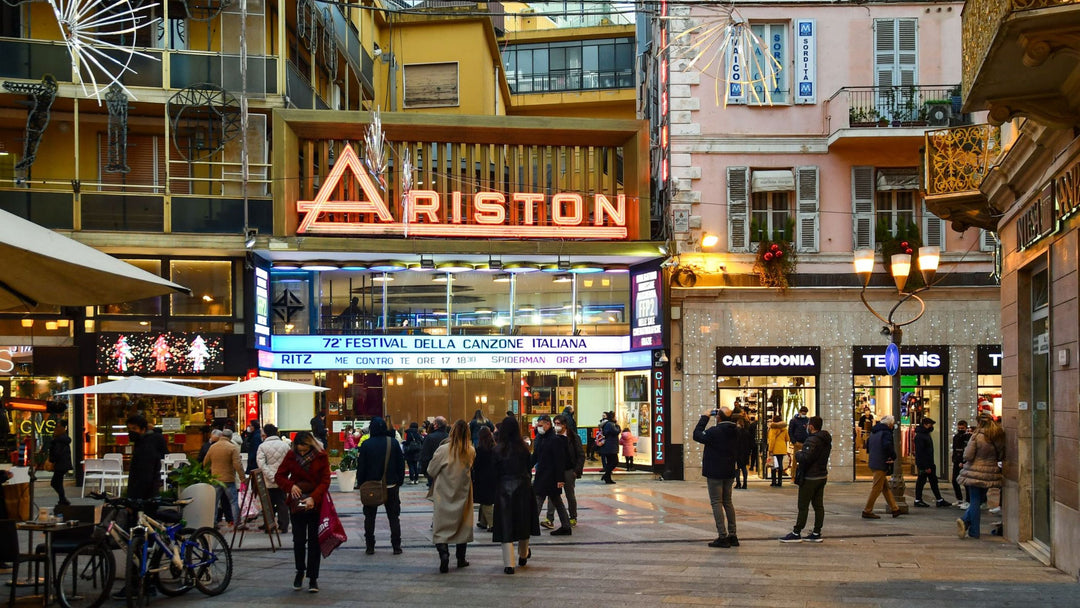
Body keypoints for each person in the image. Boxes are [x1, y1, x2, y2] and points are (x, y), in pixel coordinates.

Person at [274, 431, 331, 593]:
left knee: (314, 541)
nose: (302, 452)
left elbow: (325, 480)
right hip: (297, 504)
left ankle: (313, 578)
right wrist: (290, 486)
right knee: (298, 541)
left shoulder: (321, 456)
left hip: (315, 503)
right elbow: (279, 476)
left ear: (311, 445)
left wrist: (313, 498)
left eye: (305, 450)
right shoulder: (291, 456)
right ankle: (300, 571)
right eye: (300, 450)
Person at [491, 416, 540, 575]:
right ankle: (523, 554)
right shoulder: (524, 448)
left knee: (506, 524)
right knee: (523, 521)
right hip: (523, 487)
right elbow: (528, 469)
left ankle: (509, 564)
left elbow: (495, 472)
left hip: (504, 488)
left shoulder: (498, 449)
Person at [426, 419, 475, 573]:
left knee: (441, 526)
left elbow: (431, 470)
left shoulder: (443, 450)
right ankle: (461, 558)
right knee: (462, 525)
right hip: (463, 492)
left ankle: (444, 554)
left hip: (444, 492)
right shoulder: (470, 450)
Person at [356, 417, 405, 555]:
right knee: (394, 517)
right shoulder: (393, 443)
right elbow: (400, 464)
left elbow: (362, 467)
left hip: (371, 486)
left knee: (370, 517)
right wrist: (399, 481)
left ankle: (370, 546)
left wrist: (361, 483)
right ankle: (396, 546)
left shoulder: (366, 444)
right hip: (391, 485)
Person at [779, 416, 832, 543]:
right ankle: (816, 532)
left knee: (803, 505)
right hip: (822, 475)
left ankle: (796, 532)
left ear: (812, 427)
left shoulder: (812, 440)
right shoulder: (825, 439)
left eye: (808, 425)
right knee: (818, 505)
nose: (806, 427)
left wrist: (798, 454)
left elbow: (806, 457)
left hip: (810, 477)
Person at [694, 406, 739, 548]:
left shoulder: (715, 431)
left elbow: (697, 435)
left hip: (715, 471)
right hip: (729, 470)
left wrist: (705, 417)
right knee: (728, 502)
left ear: (718, 417)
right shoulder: (737, 431)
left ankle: (722, 536)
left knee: (716, 502)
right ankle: (733, 535)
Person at [956, 415, 1006, 539]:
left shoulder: (977, 436)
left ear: (979, 423)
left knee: (974, 501)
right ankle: (966, 523)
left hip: (975, 471)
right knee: (979, 500)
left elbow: (968, 455)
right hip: (990, 472)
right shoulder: (997, 436)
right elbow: (1001, 454)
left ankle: (972, 529)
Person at [531, 415, 572, 536]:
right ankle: (566, 526)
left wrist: (560, 479)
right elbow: (535, 456)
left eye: (541, 425)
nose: (539, 427)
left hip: (552, 476)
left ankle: (531, 526)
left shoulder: (555, 440)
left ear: (548, 424)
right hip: (542, 474)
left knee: (539, 499)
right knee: (554, 501)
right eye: (538, 425)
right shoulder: (539, 438)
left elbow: (559, 461)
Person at [547, 414, 583, 527]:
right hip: (555, 470)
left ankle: (573, 517)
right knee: (552, 494)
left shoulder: (573, 437)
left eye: (558, 424)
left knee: (570, 495)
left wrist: (576, 471)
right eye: (555, 424)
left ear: (564, 425)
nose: (556, 426)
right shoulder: (552, 436)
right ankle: (549, 518)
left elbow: (580, 455)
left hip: (568, 470)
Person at [204, 428, 245, 527]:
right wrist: (242, 477)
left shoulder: (213, 447)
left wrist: (210, 472)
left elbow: (205, 462)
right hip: (228, 478)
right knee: (233, 501)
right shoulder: (232, 447)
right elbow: (237, 464)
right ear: (230, 437)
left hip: (215, 478)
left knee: (215, 501)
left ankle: (212, 522)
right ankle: (237, 522)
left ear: (221, 435)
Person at [862, 415, 901, 519]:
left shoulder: (874, 432)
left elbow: (868, 446)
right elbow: (887, 445)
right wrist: (893, 456)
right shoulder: (886, 433)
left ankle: (895, 508)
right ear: (889, 424)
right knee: (877, 488)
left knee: (885, 487)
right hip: (881, 462)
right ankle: (867, 510)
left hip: (874, 460)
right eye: (892, 424)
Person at [256, 423, 291, 533]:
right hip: (282, 479)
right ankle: (283, 525)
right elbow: (290, 462)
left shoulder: (262, 447)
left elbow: (261, 464)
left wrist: (271, 477)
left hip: (268, 480)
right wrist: (284, 476)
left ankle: (269, 526)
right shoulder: (285, 445)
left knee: (268, 504)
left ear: (265, 434)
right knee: (282, 502)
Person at [913, 417, 950, 507]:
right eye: (930, 424)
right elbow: (921, 452)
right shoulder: (921, 436)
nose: (931, 426)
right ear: (925, 425)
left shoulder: (924, 435)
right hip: (925, 464)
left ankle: (939, 499)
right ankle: (918, 499)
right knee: (922, 481)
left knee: (933, 481)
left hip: (928, 463)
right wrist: (926, 466)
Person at [126, 414, 163, 500]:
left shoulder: (146, 447)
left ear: (143, 430)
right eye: (129, 429)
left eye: (134, 428)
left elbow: (145, 476)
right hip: (146, 497)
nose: (131, 432)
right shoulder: (141, 444)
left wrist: (135, 499)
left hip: (144, 499)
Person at [473, 426, 497, 531]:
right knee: (486, 500)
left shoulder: (480, 449)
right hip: (493, 477)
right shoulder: (495, 447)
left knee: (486, 501)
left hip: (482, 478)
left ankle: (492, 524)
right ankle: (483, 522)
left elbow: (476, 465)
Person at [420, 417, 449, 486]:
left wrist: (425, 471)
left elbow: (424, 455)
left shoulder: (430, 437)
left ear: (436, 425)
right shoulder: (450, 437)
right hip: (447, 470)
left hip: (433, 469)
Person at [49, 419, 72, 506]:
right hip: (63, 464)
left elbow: (56, 453)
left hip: (60, 464)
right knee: (57, 482)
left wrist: (52, 460)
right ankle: (62, 499)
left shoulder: (58, 441)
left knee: (55, 482)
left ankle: (63, 499)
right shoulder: (63, 440)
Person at [951, 420, 972, 509]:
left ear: (966, 428)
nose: (960, 429)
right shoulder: (956, 437)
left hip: (963, 462)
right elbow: (955, 449)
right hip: (956, 461)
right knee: (954, 480)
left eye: (962, 428)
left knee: (966, 482)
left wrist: (963, 462)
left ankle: (968, 500)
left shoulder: (968, 437)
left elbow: (965, 450)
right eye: (959, 428)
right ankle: (959, 498)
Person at [788, 406, 810, 480]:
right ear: (800, 412)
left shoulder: (808, 420)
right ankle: (793, 476)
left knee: (805, 460)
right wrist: (794, 441)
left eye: (805, 413)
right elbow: (790, 431)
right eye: (803, 412)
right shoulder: (794, 420)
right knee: (795, 460)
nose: (804, 414)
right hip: (797, 442)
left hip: (806, 442)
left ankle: (803, 475)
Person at [767, 415, 789, 487]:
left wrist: (770, 449)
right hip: (782, 448)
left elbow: (772, 440)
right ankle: (780, 482)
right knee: (780, 465)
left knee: (774, 465)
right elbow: (787, 439)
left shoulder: (772, 429)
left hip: (775, 449)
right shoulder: (784, 429)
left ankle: (774, 481)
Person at [598, 411, 620, 484]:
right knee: (614, 461)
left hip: (608, 446)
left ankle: (608, 478)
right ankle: (606, 475)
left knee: (610, 462)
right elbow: (616, 431)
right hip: (610, 446)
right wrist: (618, 426)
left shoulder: (606, 424)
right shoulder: (610, 424)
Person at [733, 410, 751, 489]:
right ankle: (745, 483)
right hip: (745, 453)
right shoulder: (747, 432)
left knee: (737, 469)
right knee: (744, 468)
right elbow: (749, 443)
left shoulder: (736, 432)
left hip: (737, 452)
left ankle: (738, 483)